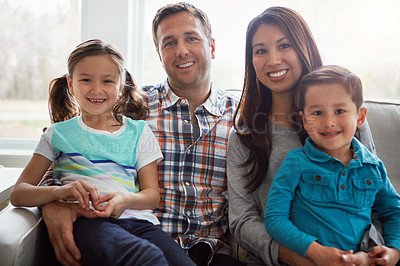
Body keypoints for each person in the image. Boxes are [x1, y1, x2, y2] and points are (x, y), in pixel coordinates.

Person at [40, 3, 240, 266]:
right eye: (169, 43)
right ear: (159, 54)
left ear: (211, 46)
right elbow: (65, 160)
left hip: (214, 254)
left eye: (191, 38)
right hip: (139, 243)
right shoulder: (130, 106)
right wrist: (53, 205)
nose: (181, 50)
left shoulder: (239, 115)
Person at [10, 39, 195, 266]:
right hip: (88, 222)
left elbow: (151, 195)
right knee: (146, 258)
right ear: (70, 84)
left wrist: (125, 200)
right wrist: (61, 192)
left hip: (139, 222)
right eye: (86, 80)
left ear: (120, 87)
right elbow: (19, 193)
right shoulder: (57, 134)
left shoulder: (139, 131)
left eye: (107, 81)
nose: (96, 89)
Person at [227, 7, 378, 266]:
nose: (273, 60)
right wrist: (297, 256)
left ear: (304, 47)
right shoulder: (245, 136)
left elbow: (376, 199)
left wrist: (369, 254)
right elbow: (242, 221)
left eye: (284, 45)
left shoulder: (346, 122)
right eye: (260, 50)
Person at [264, 65, 400, 266]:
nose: (329, 122)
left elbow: (394, 212)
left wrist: (394, 251)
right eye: (317, 112)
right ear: (304, 120)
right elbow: (275, 218)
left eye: (339, 111)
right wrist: (315, 251)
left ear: (360, 117)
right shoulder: (296, 162)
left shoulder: (373, 166)